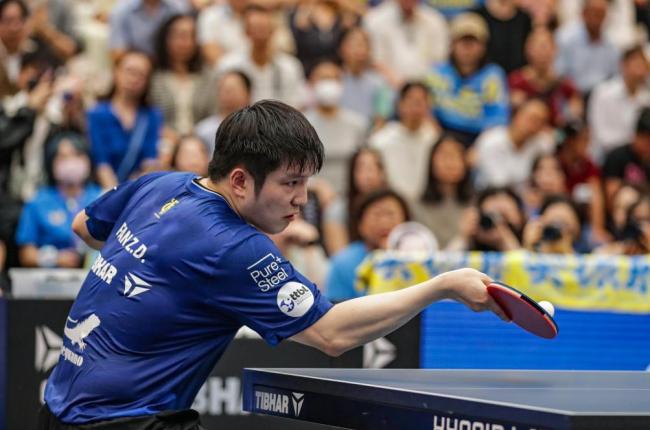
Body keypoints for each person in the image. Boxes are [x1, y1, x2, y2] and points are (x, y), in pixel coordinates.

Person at [39, 100, 507, 428]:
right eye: (290, 183)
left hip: (56, 408)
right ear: (241, 181)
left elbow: (85, 226)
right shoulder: (234, 247)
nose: (302, 199)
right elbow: (332, 334)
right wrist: (442, 286)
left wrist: (152, 271)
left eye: (306, 183)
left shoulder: (159, 184)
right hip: (125, 421)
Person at [16, 133, 101, 268]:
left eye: (77, 155)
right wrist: (54, 259)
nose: (71, 162)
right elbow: (26, 254)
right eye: (63, 157)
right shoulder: (38, 201)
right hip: (51, 277)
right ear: (51, 163)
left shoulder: (102, 197)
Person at [427, 12, 510, 146]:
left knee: (497, 139)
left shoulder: (493, 75)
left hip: (479, 137)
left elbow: (498, 118)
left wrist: (477, 148)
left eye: (472, 43)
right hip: (442, 133)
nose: (467, 49)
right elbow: (426, 111)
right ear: (452, 45)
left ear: (483, 47)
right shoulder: (437, 72)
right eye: (462, 42)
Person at [87, 50, 163, 189]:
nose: (134, 78)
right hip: (103, 190)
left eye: (141, 74)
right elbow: (101, 162)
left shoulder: (152, 116)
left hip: (137, 189)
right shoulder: (97, 113)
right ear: (116, 72)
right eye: (130, 71)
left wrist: (131, 191)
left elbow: (150, 161)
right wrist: (114, 194)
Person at [325, 188, 410, 302]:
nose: (384, 222)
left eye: (391, 214)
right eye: (376, 215)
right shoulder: (343, 263)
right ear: (360, 225)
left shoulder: (419, 257)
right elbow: (335, 307)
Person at [369, 81, 440, 201]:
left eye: (421, 101)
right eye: (411, 100)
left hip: (427, 202)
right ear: (399, 104)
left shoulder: (434, 140)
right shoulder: (380, 140)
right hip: (390, 200)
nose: (416, 107)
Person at [304, 60, 367, 194]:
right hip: (312, 195)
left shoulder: (357, 124)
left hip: (350, 195)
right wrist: (316, 186)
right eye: (323, 79)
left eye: (334, 79)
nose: (329, 84)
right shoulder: (301, 124)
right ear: (311, 84)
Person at [150, 14, 216, 137]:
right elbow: (144, 116)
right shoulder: (153, 78)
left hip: (201, 141)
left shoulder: (207, 78)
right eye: (180, 36)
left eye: (191, 36)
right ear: (166, 38)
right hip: (161, 141)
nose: (186, 42)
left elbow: (214, 117)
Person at [588, 45, 650, 163]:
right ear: (623, 65)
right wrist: (630, 146)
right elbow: (599, 133)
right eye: (636, 64)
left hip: (638, 157)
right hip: (606, 156)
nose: (639, 70)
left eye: (643, 65)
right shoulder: (603, 93)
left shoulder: (646, 97)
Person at [410, 134, 473, 249]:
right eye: (444, 156)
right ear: (431, 162)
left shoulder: (475, 204)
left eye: (456, 155)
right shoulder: (415, 205)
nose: (450, 162)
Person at [194, 70, 251, 153]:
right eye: (223, 89)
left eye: (233, 89)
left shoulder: (259, 129)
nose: (228, 93)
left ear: (248, 92)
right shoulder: (203, 131)